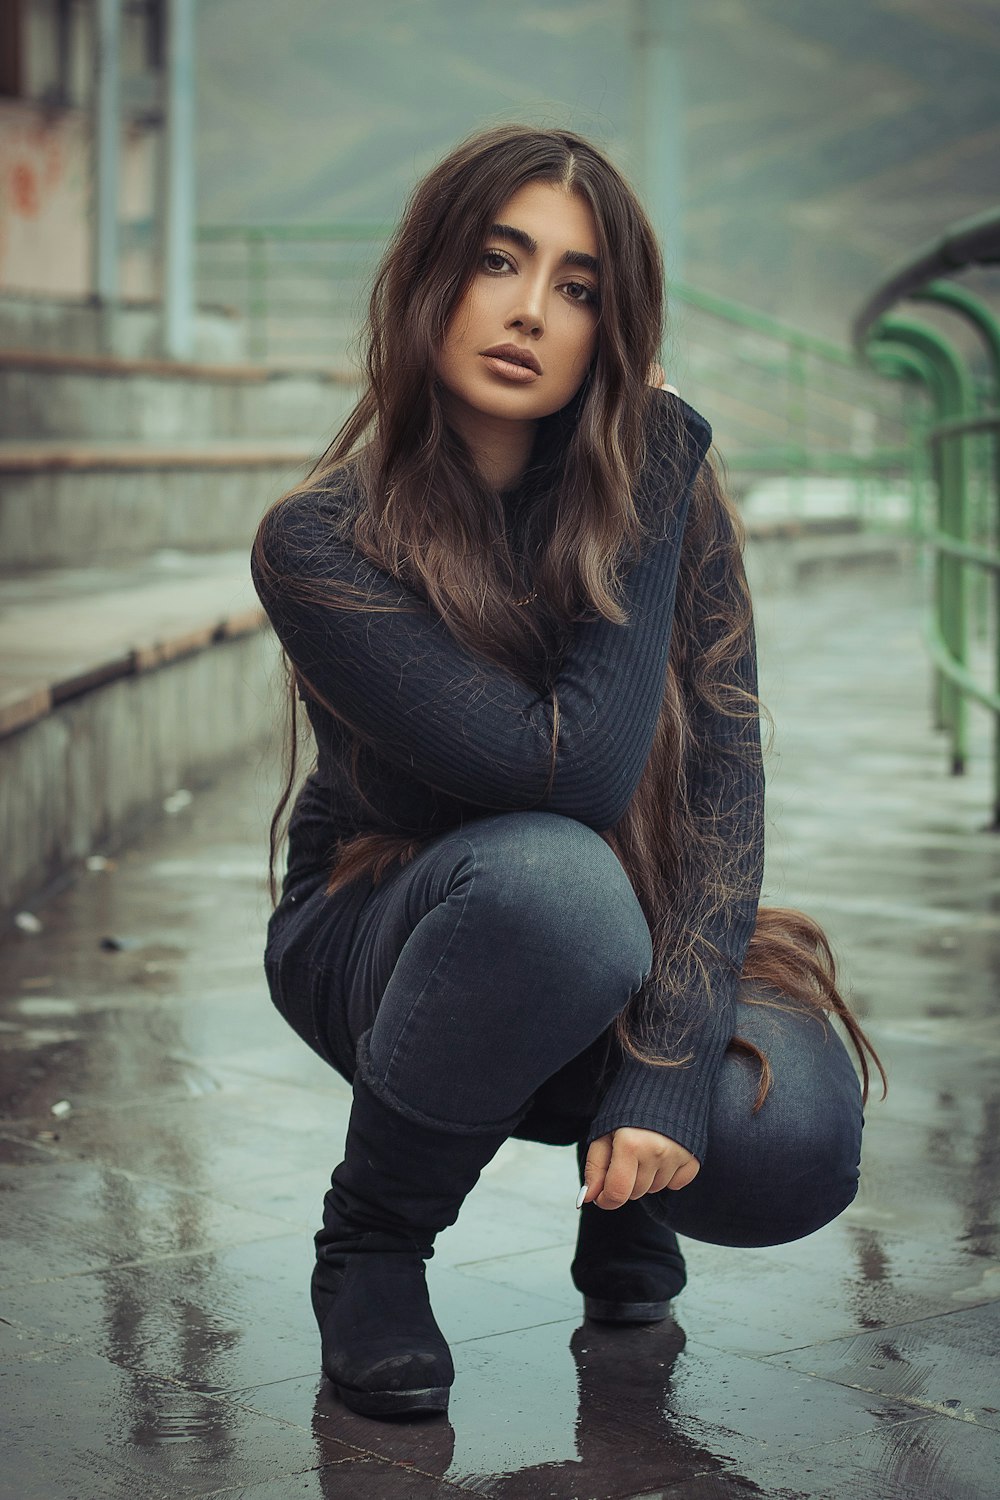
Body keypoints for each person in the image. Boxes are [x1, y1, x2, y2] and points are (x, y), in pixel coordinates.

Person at [250, 124, 884, 1423]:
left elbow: (718, 784)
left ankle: (623, 1201)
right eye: (499, 260)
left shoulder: (660, 505)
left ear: (614, 323)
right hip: (386, 934)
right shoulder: (319, 541)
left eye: (581, 286)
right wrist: (652, 452)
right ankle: (373, 1239)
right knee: (555, 886)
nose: (532, 310)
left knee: (794, 1140)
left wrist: (666, 1067)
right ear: (431, 279)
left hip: (624, 939)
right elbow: (572, 774)